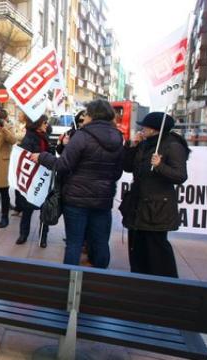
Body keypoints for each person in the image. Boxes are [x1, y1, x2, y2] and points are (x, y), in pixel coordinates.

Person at [33, 100, 124, 265]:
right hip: (103, 199)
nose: (85, 117)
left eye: (87, 114)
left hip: (76, 200)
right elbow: (117, 172)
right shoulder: (118, 136)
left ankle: (70, 282)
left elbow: (63, 165)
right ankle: (100, 278)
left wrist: (42, 156)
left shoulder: (83, 135)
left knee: (74, 243)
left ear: (92, 115)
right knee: (101, 243)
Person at [121, 112, 189, 278]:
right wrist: (132, 146)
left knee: (157, 248)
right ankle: (141, 281)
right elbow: (128, 167)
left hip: (157, 208)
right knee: (137, 247)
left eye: (145, 127)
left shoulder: (172, 146)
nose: (141, 129)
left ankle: (166, 285)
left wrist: (160, 166)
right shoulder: (144, 144)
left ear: (155, 130)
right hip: (138, 205)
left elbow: (180, 175)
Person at [18, 115, 53, 247]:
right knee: (27, 209)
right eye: (45, 122)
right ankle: (23, 234)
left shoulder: (45, 136)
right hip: (32, 178)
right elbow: (27, 157)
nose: (47, 124)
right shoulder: (28, 138)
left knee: (45, 210)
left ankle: (43, 237)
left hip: (45, 177)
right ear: (38, 124)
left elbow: (50, 153)